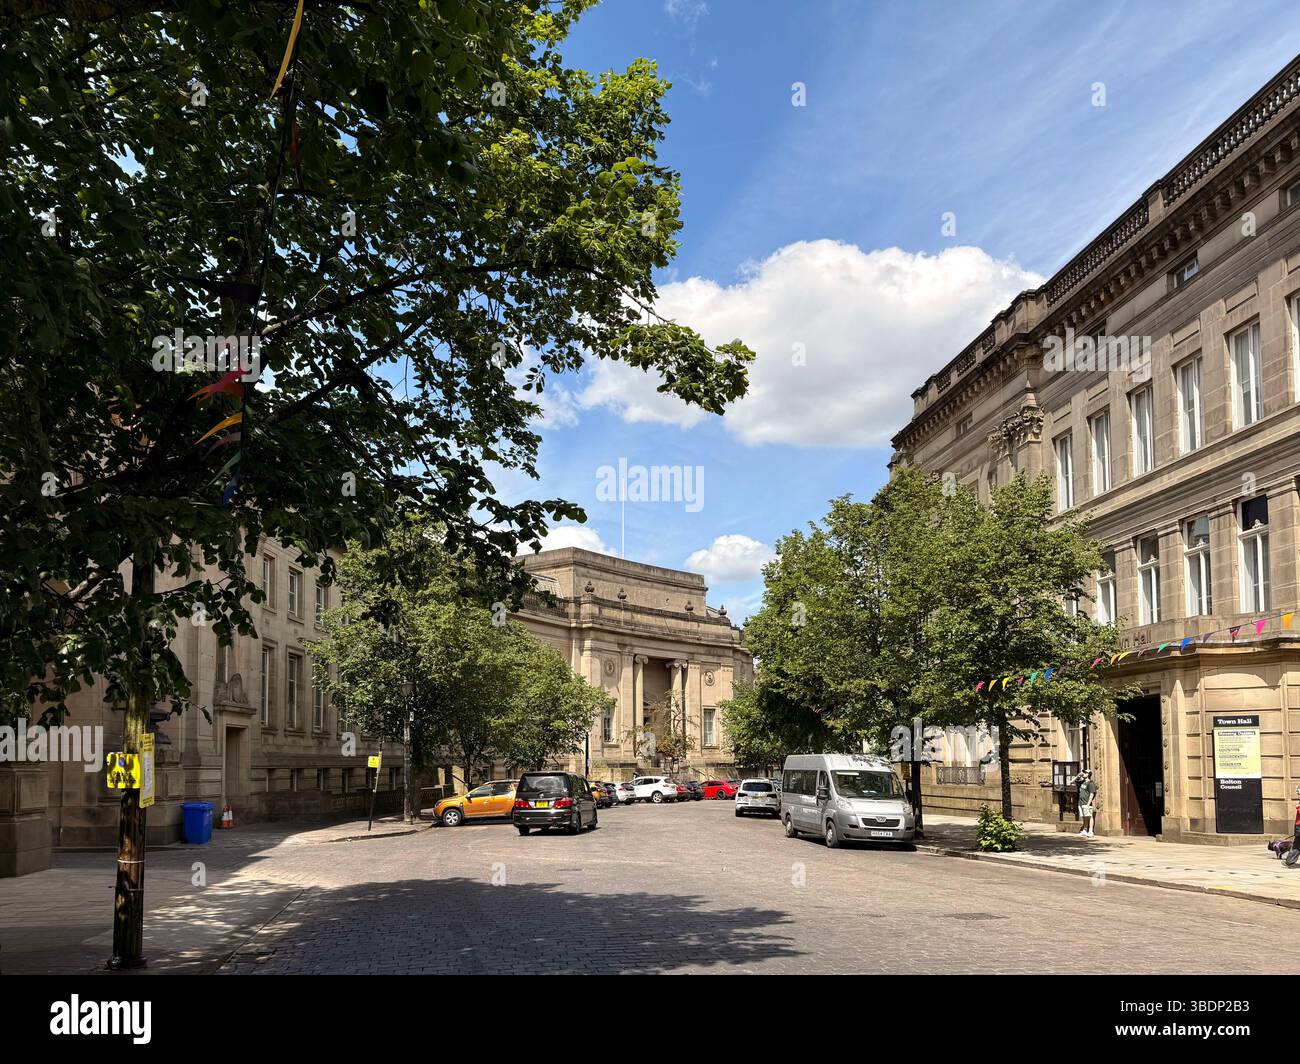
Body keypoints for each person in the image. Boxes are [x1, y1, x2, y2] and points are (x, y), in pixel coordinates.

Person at [1075, 769, 1098, 837]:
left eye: (1085, 772)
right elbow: (1071, 782)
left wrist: (1088, 803)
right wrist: (1078, 775)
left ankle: (1090, 831)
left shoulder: (1090, 783)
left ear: (1089, 774)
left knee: (1090, 816)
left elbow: (1092, 794)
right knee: (1084, 817)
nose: (1083, 773)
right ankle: (1085, 830)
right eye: (1083, 772)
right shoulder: (1082, 782)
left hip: (1086, 803)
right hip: (1081, 802)